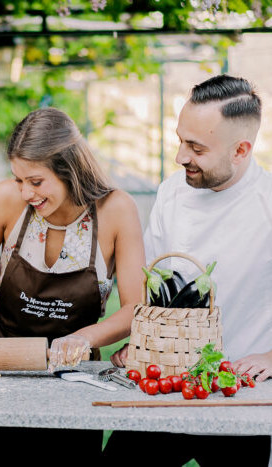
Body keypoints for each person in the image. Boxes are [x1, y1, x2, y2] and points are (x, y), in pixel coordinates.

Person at [0, 107, 145, 466]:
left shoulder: (117, 210)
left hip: (73, 379)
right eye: (18, 179)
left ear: (69, 170)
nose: (25, 192)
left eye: (36, 181)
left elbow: (134, 309)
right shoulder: (5, 200)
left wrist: (84, 339)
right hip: (1, 369)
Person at [105, 75, 272, 465]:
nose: (181, 156)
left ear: (241, 150)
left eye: (196, 147)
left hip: (238, 393)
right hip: (167, 384)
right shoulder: (171, 192)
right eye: (180, 140)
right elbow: (155, 287)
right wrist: (146, 340)